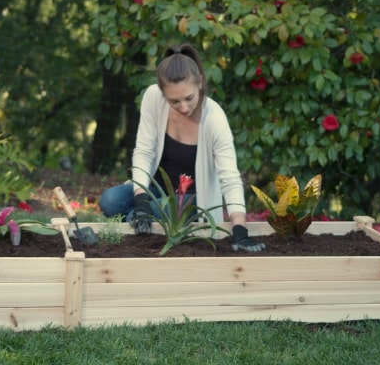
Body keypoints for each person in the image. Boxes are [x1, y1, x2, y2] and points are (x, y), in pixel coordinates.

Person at [99, 43, 265, 252]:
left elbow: (230, 179)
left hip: (194, 199)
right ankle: (145, 214)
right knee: (110, 201)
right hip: (156, 189)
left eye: (189, 98)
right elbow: (144, 152)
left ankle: (150, 220)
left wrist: (240, 230)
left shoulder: (214, 118)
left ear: (200, 84)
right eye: (174, 101)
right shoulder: (152, 98)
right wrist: (141, 199)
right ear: (162, 93)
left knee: (134, 216)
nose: (184, 107)